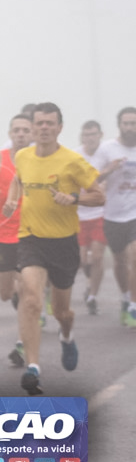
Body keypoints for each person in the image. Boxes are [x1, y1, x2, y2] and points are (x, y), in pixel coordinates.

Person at [3, 102, 104, 395]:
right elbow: (17, 181)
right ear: (32, 127)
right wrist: (12, 200)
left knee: (62, 311)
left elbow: (99, 196)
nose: (44, 128)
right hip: (31, 239)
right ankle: (33, 367)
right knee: (31, 298)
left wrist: (73, 199)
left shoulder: (72, 161)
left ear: (59, 127)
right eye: (39, 123)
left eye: (50, 123)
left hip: (64, 243)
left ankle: (67, 336)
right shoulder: (22, 156)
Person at [0, 113, 33, 367]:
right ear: (10, 133)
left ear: (32, 133)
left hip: (30, 234)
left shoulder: (38, 160)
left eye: (26, 130)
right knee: (5, 293)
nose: (21, 134)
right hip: (2, 233)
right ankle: (22, 299)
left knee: (25, 289)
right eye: (17, 130)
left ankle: (22, 344)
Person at [90, 106, 136, 326]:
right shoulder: (108, 148)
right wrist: (109, 170)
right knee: (119, 261)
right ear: (119, 125)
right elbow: (91, 181)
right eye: (126, 123)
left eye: (133, 123)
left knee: (135, 256)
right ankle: (126, 298)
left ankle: (135, 306)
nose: (129, 127)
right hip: (113, 214)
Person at [76, 120, 108, 315]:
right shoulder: (75, 155)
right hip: (79, 214)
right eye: (87, 134)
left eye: (93, 134)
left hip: (100, 213)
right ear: (82, 137)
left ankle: (93, 296)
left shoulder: (107, 154)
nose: (90, 138)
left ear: (100, 135)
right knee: (81, 260)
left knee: (96, 257)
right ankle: (89, 284)